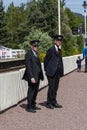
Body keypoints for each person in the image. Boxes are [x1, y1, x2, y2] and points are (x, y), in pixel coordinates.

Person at [22, 40, 44, 113]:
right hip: (32, 77)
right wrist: (31, 77)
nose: (36, 47)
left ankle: (33, 104)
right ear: (31, 46)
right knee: (31, 91)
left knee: (36, 91)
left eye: (37, 46)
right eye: (35, 46)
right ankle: (29, 106)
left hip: (37, 76)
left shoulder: (36, 54)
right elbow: (28, 67)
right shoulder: (28, 54)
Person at [44, 35, 64, 109]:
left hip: (57, 72)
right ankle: (49, 102)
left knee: (55, 87)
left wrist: (61, 71)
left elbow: (60, 61)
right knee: (51, 87)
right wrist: (47, 70)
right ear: (55, 41)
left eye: (60, 41)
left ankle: (54, 101)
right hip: (51, 72)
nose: (59, 42)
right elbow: (46, 60)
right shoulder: (51, 50)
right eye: (58, 40)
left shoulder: (59, 50)